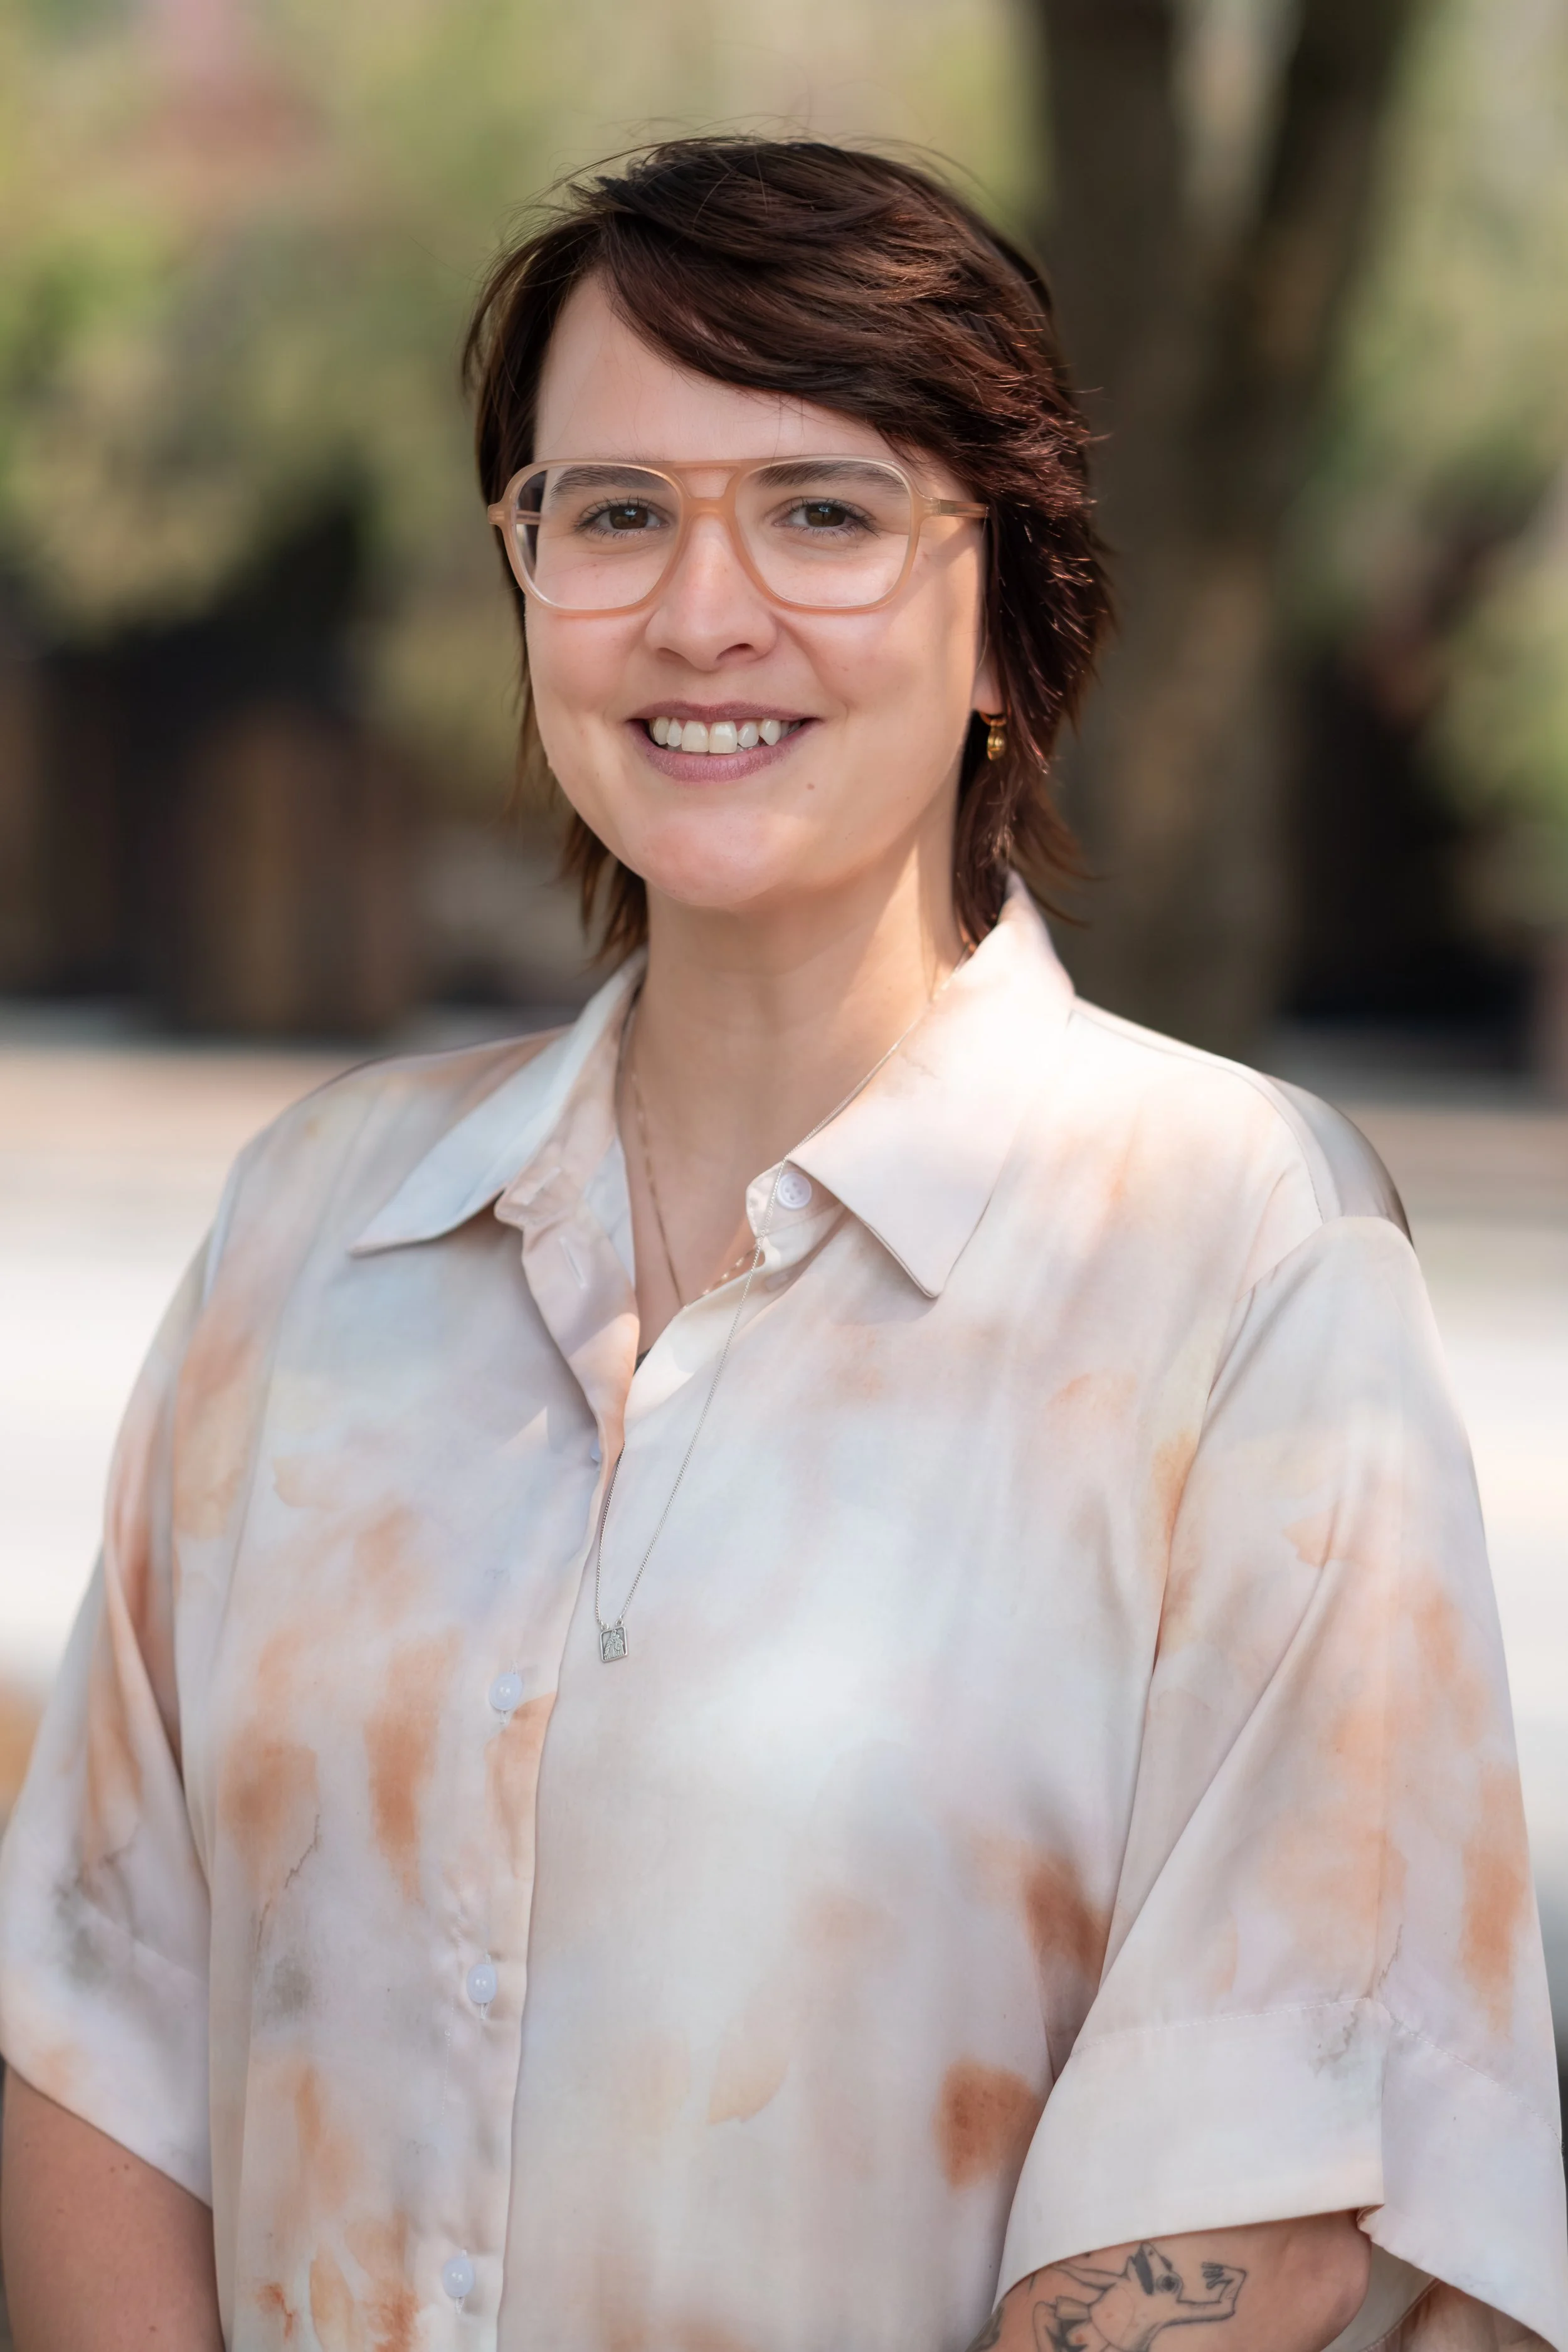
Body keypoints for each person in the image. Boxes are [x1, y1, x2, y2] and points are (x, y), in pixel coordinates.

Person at [0, 135, 1562, 2352]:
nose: (698, 609)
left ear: (1007, 614)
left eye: (822, 511)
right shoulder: (312, 1228)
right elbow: (98, 2018)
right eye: (611, 511)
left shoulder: (1235, 1261)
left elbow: (1279, 2173)